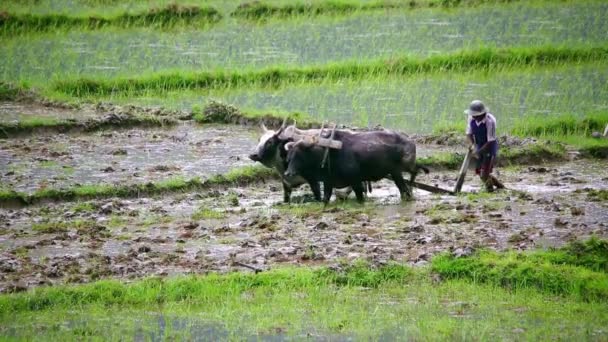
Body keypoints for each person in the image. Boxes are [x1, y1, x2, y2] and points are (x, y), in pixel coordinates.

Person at [464, 100, 504, 192]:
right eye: (472, 114)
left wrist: (478, 152)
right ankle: (500, 186)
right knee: (480, 172)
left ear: (482, 113)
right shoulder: (471, 118)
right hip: (479, 145)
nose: (474, 116)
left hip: (489, 147)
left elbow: (490, 140)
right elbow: (469, 134)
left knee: (484, 174)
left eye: (476, 115)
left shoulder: (490, 121)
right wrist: (472, 145)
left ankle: (489, 190)